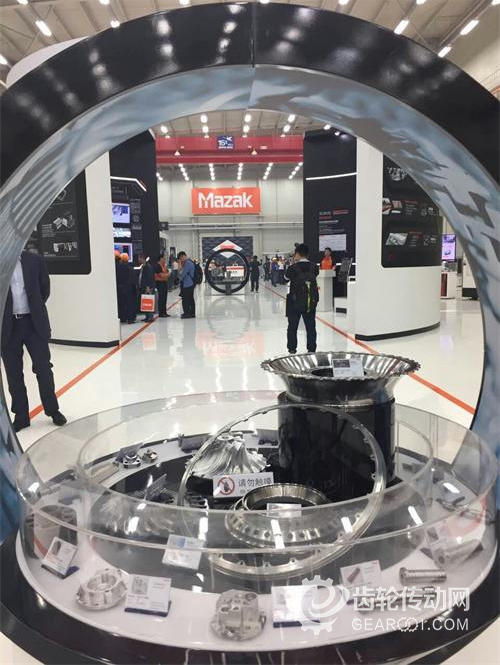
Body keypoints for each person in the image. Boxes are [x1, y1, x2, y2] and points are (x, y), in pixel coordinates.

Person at [1, 251, 67, 432]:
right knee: (14, 374)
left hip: (34, 324)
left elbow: (44, 289)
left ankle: (53, 410)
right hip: (8, 327)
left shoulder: (35, 260)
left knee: (44, 369)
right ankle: (21, 416)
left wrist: (35, 308)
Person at [285, 243, 319, 355]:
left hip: (294, 302)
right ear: (307, 254)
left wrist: (292, 264)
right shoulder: (315, 267)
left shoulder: (292, 268)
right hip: (310, 301)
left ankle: (292, 349)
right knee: (311, 327)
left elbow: (285, 278)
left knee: (292, 327)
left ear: (298, 254)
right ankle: (311, 349)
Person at [116, 253, 136, 324]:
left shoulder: (118, 267)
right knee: (129, 304)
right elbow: (132, 279)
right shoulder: (130, 267)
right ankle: (130, 319)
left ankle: (123, 318)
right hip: (129, 288)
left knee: (121, 304)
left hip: (120, 288)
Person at [138, 254, 156, 322]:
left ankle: (150, 317)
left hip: (148, 287)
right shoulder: (143, 266)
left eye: (139, 258)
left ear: (142, 258)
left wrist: (148, 287)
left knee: (149, 301)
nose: (138, 259)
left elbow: (149, 277)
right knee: (145, 302)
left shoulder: (148, 267)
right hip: (144, 287)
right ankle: (147, 316)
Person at [178, 251, 196, 319]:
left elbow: (183, 274)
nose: (181, 260)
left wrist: (179, 278)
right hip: (191, 283)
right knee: (190, 299)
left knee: (186, 299)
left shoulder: (188, 263)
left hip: (187, 284)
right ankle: (192, 313)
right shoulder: (190, 262)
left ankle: (187, 313)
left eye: (181, 258)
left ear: (183, 256)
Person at [155, 254, 170, 318]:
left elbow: (168, 274)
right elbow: (162, 275)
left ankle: (164, 312)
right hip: (160, 283)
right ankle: (161, 313)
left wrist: (166, 275)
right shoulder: (157, 266)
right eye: (164, 258)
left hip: (164, 283)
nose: (165, 259)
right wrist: (166, 275)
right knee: (161, 298)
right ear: (161, 259)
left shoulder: (164, 266)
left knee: (164, 298)